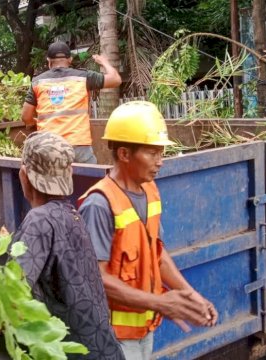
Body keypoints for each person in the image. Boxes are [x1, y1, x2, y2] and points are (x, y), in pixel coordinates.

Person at [0, 132, 125, 359]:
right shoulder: (71, 215)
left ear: (24, 175)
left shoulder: (40, 220)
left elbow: (14, 293)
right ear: (69, 174)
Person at [77, 101, 218, 359]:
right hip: (111, 336)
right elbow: (96, 278)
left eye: (161, 153)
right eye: (152, 153)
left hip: (144, 330)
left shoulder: (150, 192)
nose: (160, 162)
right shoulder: (99, 204)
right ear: (124, 154)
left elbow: (158, 255)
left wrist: (189, 294)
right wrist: (162, 303)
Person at [21, 41, 122, 164]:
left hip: (48, 147)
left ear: (49, 61)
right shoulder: (83, 77)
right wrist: (104, 62)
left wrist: (32, 124)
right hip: (78, 145)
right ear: (70, 60)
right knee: (90, 179)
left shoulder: (38, 82)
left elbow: (26, 116)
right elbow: (116, 79)